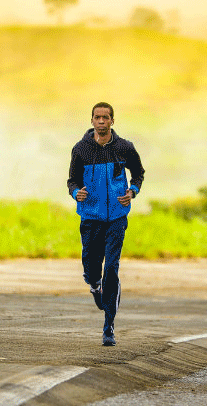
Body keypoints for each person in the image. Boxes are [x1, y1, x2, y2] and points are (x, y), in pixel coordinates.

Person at [67, 102, 145, 346]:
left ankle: (109, 325)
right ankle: (94, 284)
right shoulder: (81, 150)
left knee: (112, 267)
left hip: (116, 218)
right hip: (90, 217)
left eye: (105, 118)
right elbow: (72, 181)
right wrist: (75, 193)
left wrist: (132, 191)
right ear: (91, 121)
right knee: (92, 268)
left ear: (112, 121)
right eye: (97, 117)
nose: (101, 121)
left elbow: (139, 173)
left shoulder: (124, 148)